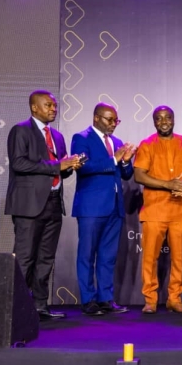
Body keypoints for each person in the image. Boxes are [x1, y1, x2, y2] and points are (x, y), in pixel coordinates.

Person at [5, 90, 83, 320]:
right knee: (25, 257)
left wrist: (69, 167)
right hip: (28, 206)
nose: (53, 109)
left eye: (55, 106)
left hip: (53, 203)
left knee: (46, 258)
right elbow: (19, 163)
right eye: (48, 105)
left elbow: (59, 171)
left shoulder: (57, 136)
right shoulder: (21, 130)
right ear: (34, 108)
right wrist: (56, 166)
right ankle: (16, 307)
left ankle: (40, 306)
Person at [133, 105, 182, 314]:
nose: (164, 122)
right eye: (159, 118)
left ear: (174, 119)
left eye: (168, 118)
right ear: (154, 122)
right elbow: (139, 175)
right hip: (154, 209)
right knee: (150, 258)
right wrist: (167, 184)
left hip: (181, 210)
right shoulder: (147, 145)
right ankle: (150, 300)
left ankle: (175, 298)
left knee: (180, 257)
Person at [71, 103, 136, 316]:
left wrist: (126, 162)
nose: (114, 124)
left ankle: (106, 299)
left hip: (114, 207)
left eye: (116, 120)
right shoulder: (81, 138)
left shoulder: (116, 142)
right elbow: (83, 167)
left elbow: (125, 175)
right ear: (96, 118)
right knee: (87, 255)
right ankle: (88, 300)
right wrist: (114, 159)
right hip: (91, 207)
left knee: (108, 256)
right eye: (110, 120)